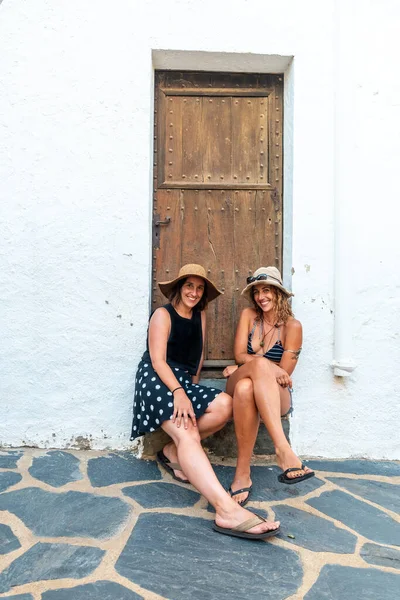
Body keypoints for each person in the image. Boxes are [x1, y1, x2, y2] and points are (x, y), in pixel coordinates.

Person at [130, 264, 280, 540]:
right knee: (187, 431)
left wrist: (191, 389)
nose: (194, 292)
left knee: (225, 404)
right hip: (156, 379)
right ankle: (226, 509)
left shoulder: (200, 315)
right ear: (179, 287)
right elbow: (157, 361)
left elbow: (197, 359)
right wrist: (179, 393)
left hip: (184, 382)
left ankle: (173, 453)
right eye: (189, 286)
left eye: (200, 288)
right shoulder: (162, 315)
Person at [223, 266, 314, 507]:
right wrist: (263, 366)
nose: (261, 296)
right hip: (239, 381)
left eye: (267, 290)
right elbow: (239, 353)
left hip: (274, 394)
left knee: (245, 387)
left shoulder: (292, 327)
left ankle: (242, 473)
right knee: (256, 371)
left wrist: (250, 367)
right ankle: (283, 450)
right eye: (256, 292)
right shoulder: (248, 316)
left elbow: (285, 373)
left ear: (279, 293)